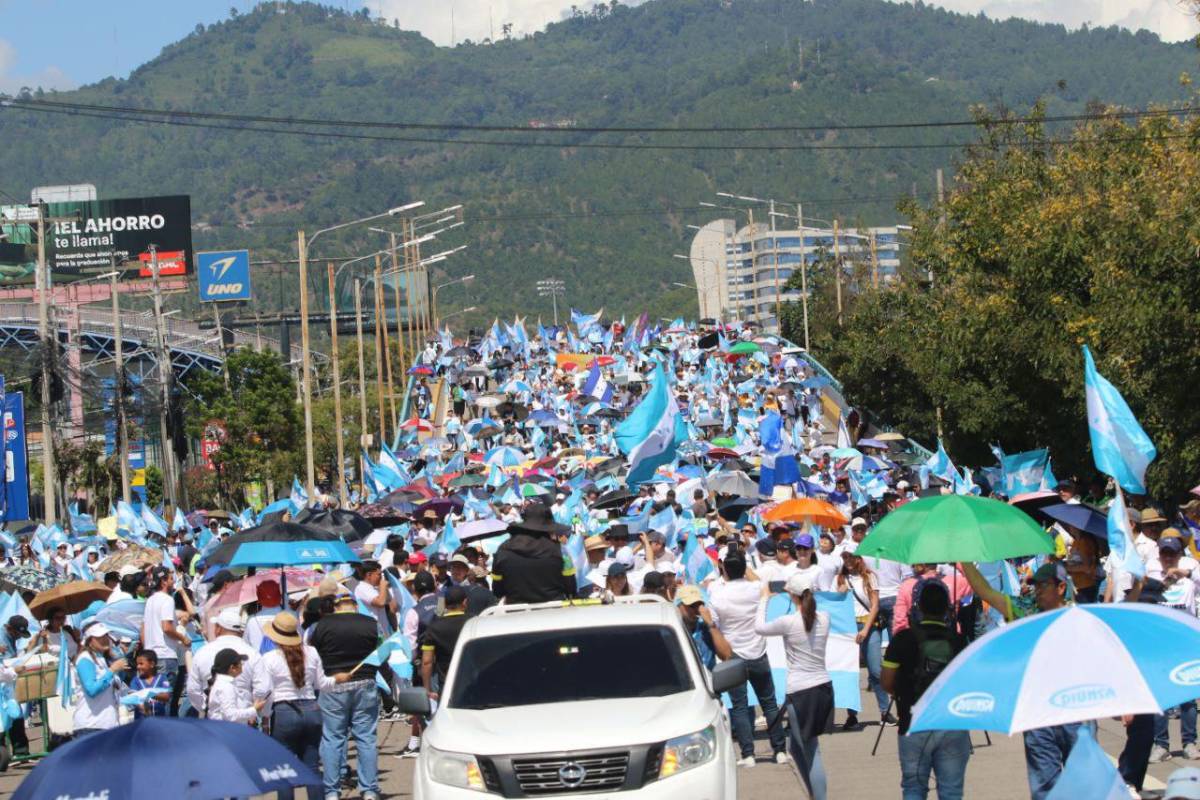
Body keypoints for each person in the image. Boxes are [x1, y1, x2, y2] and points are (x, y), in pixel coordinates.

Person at [962, 560, 1078, 799]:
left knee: (1083, 781)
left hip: (1076, 710)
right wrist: (963, 561)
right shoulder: (1025, 610)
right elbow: (986, 592)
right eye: (1036, 585)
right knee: (1045, 785)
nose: (1037, 591)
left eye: (1043, 585)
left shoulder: (1079, 615)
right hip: (1038, 712)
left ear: (1061, 588)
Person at [881, 580, 971, 799]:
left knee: (914, 788)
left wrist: (899, 691)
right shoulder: (959, 641)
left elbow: (886, 682)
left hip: (913, 724)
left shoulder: (903, 639)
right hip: (952, 724)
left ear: (917, 607)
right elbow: (968, 683)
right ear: (947, 609)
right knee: (951, 791)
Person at [754, 573, 833, 800]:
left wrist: (764, 599)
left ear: (792, 595)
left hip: (801, 692)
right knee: (797, 748)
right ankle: (814, 794)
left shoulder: (788, 622)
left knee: (810, 751)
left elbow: (759, 627)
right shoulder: (825, 618)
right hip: (822, 687)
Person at [708, 552, 788, 766]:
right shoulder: (755, 588)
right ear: (744, 568)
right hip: (758, 651)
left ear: (723, 568)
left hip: (733, 654)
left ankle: (748, 754)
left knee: (740, 706)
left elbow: (713, 623)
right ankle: (779, 750)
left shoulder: (717, 594)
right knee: (769, 703)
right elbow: (761, 583)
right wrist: (745, 568)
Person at [310, 589, 384, 800]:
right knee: (366, 738)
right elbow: (380, 651)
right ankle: (369, 789)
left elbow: (315, 654)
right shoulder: (370, 623)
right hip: (366, 682)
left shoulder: (323, 625)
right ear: (355, 605)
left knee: (333, 738)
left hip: (333, 684)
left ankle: (332, 791)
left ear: (336, 606)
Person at [261, 611, 350, 773]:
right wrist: (337, 679)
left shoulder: (269, 658)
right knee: (312, 767)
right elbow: (322, 684)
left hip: (284, 711)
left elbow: (267, 691)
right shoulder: (312, 652)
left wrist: (265, 718)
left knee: (284, 770)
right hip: (312, 709)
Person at [836, 551, 889, 728]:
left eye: (851, 557)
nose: (848, 561)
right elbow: (837, 604)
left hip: (868, 624)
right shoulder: (841, 578)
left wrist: (866, 629)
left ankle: (885, 711)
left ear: (859, 559)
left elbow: (875, 605)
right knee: (851, 672)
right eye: (845, 558)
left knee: (875, 669)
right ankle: (851, 715)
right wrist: (840, 592)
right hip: (848, 627)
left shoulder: (869, 577)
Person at [187, 607, 267, 716]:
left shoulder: (202, 652)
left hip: (214, 719)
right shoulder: (253, 653)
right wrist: (252, 710)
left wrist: (205, 707)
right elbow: (263, 688)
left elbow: (193, 689)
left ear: (218, 628)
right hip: (245, 719)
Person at [490, 504, 575, 603]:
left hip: (515, 612)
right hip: (554, 610)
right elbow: (571, 586)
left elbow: (497, 590)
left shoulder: (503, 549)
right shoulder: (560, 550)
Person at [141, 566, 190, 716]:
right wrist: (183, 638)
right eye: (170, 578)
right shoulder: (167, 600)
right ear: (163, 581)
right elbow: (167, 627)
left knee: (154, 701)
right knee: (166, 702)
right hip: (165, 655)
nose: (173, 580)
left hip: (151, 656)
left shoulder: (149, 601)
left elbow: (142, 629)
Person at [72, 622, 127, 737]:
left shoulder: (104, 659)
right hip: (91, 726)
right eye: (99, 637)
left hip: (108, 724)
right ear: (89, 641)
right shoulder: (85, 659)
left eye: (106, 636)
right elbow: (91, 690)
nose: (104, 639)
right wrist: (112, 671)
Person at [420, 586, 470, 699]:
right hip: (472, 682)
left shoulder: (433, 628)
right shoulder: (474, 622)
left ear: (444, 604)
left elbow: (427, 662)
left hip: (447, 686)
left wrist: (427, 689)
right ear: (465, 602)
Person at [203, 648, 267, 723]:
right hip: (225, 731)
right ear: (232, 668)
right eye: (240, 663)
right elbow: (230, 715)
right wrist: (254, 710)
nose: (242, 665)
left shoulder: (224, 683)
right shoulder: (226, 686)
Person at [676, 585, 732, 669]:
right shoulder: (673, 631)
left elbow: (727, 656)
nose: (696, 609)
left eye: (699, 605)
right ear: (679, 606)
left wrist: (710, 624)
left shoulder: (706, 629)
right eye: (692, 605)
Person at [243, 580, 285, 653]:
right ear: (280, 597)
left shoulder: (251, 620)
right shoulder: (289, 616)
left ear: (258, 599)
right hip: (284, 661)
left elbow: (246, 644)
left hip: (258, 662)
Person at [353, 561, 395, 635]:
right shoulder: (361, 588)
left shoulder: (375, 588)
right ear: (369, 575)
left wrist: (385, 588)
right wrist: (382, 586)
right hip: (373, 631)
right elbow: (381, 602)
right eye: (379, 574)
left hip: (383, 630)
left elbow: (388, 600)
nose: (381, 577)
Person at [129, 649, 172, 718]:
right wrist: (142, 708)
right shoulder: (136, 680)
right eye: (137, 664)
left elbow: (166, 696)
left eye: (141, 664)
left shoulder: (163, 678)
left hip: (159, 720)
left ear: (152, 664)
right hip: (141, 722)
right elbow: (133, 695)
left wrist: (147, 693)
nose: (138, 667)